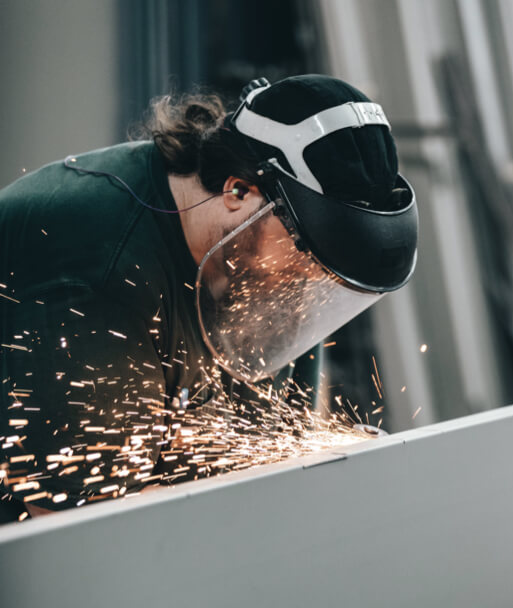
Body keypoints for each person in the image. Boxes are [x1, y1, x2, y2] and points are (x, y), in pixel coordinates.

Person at [0, 74, 418, 522]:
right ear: (238, 191)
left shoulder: (283, 270)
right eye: (306, 257)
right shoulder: (97, 272)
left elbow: (273, 452)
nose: (308, 283)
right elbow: (84, 531)